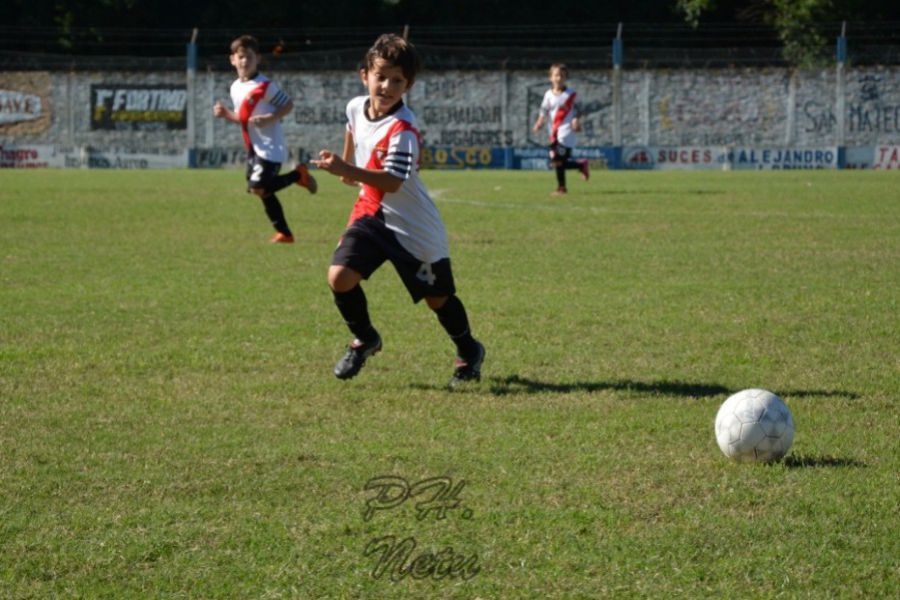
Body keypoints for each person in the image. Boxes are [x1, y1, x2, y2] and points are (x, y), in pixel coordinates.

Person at [311, 33, 485, 388]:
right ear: (365, 75)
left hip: (412, 224)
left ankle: (469, 350)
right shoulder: (354, 106)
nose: (387, 86)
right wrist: (347, 166)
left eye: (398, 81)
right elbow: (353, 135)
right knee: (339, 278)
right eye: (381, 76)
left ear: (409, 85)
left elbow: (392, 181)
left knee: (438, 299)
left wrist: (346, 171)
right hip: (372, 213)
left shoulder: (403, 129)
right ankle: (365, 339)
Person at [213, 34, 317, 244]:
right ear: (232, 59)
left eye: (249, 56)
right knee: (263, 192)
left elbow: (287, 105)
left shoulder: (265, 86)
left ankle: (298, 175)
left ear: (257, 58)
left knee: (258, 187)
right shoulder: (235, 87)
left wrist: (271, 117)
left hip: (271, 148)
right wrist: (226, 114)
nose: (245, 61)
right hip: (254, 149)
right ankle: (285, 234)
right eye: (240, 57)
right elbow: (245, 119)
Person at [532, 63, 589, 197]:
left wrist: (575, 119)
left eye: (562, 76)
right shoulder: (548, 95)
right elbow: (544, 110)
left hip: (566, 132)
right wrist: (539, 122)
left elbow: (580, 110)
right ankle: (581, 166)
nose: (559, 78)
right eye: (556, 75)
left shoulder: (571, 94)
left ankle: (562, 189)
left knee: (557, 160)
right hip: (554, 133)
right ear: (550, 77)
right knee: (558, 162)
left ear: (565, 78)